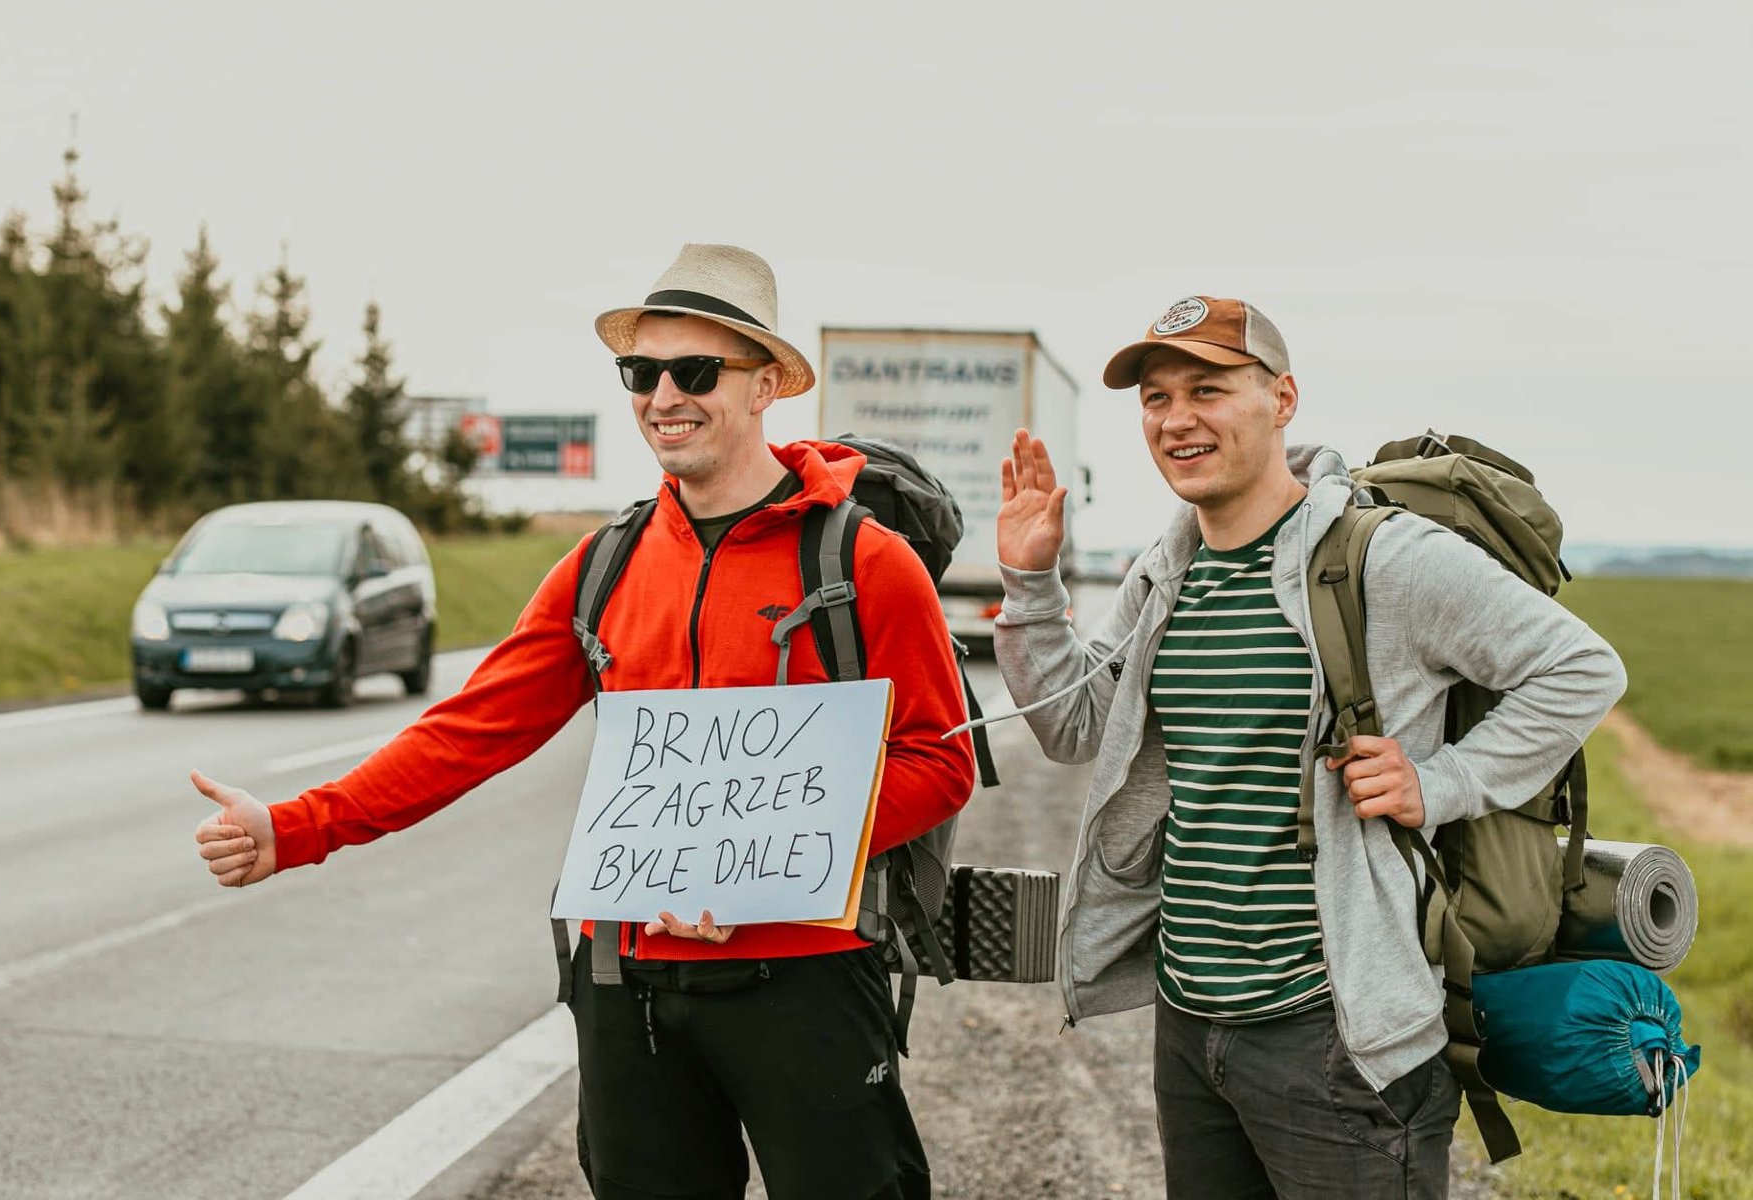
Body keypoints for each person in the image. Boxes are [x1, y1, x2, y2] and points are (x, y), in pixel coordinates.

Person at [193, 243, 975, 1200]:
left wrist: (752, 868)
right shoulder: (604, 566)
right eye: (641, 373)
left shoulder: (867, 562)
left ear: (766, 383)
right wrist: (298, 826)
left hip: (806, 983)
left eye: (696, 372)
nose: (664, 397)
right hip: (628, 985)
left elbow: (938, 765)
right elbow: (470, 731)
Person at [991, 295, 1625, 1199]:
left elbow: (1580, 668)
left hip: (1336, 1030)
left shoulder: (1384, 558)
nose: (1176, 419)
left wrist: (1441, 782)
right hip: (1192, 1022)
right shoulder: (1169, 567)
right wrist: (1029, 578)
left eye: (1207, 389)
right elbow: (1072, 725)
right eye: (1156, 398)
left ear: (1281, 399)